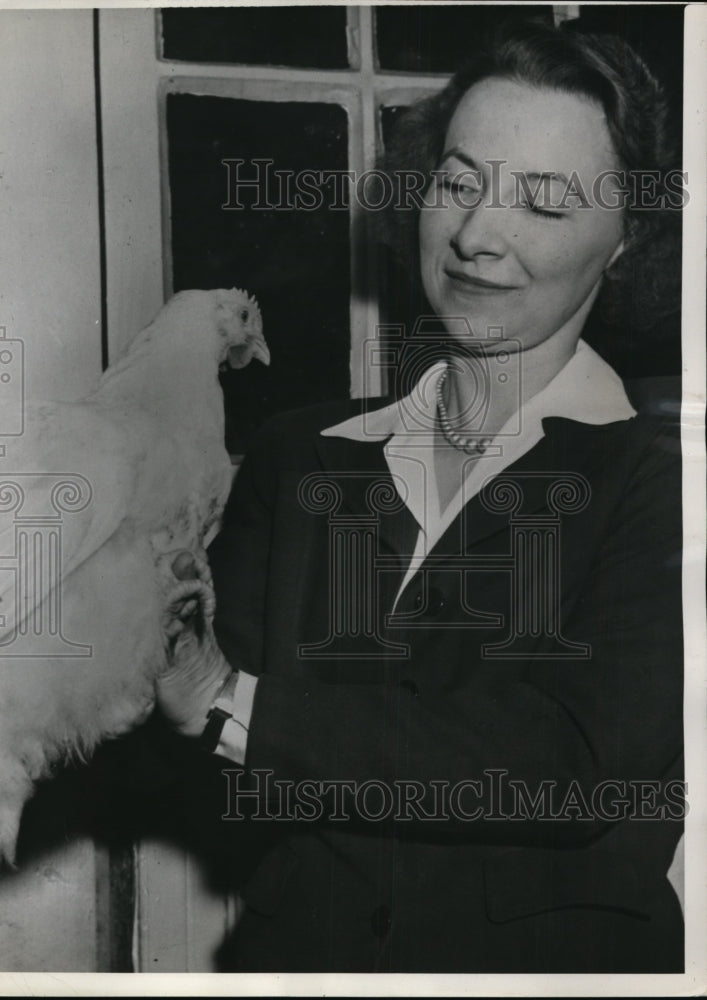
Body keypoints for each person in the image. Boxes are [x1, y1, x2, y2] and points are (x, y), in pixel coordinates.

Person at [157, 20, 684, 973]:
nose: (477, 236)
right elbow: (193, 741)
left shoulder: (661, 484)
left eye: (545, 202)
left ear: (625, 241)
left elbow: (572, 772)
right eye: (456, 179)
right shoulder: (300, 457)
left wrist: (236, 706)